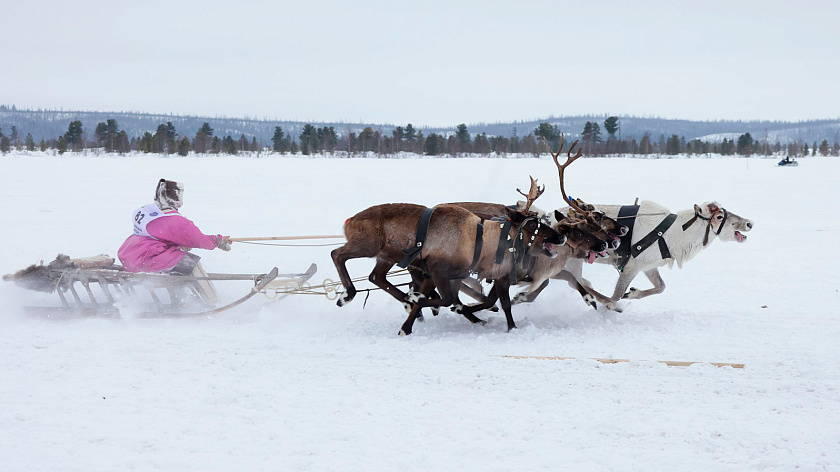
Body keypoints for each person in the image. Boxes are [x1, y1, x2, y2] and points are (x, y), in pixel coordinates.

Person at [117, 179, 231, 275]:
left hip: (130, 255)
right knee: (189, 262)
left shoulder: (144, 210)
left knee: (179, 260)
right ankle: (204, 297)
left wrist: (181, 243)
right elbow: (198, 240)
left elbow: (160, 235)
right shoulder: (175, 221)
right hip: (148, 260)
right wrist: (218, 241)